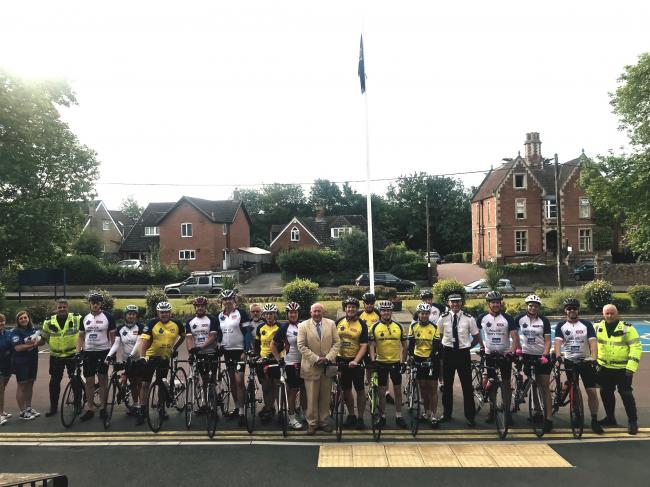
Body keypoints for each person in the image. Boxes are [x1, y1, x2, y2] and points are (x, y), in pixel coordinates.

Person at [553, 298, 604, 434]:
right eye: (569, 308)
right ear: (565, 311)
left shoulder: (586, 324)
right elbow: (557, 343)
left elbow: (593, 342)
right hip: (570, 361)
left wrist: (594, 358)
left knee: (591, 391)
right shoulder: (561, 326)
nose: (572, 310)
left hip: (585, 361)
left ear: (578, 310)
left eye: (574, 308)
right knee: (573, 389)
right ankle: (576, 413)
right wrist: (558, 356)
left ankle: (594, 420)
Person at [135, 301, 186, 425]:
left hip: (164, 358)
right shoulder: (152, 323)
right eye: (162, 312)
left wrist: (175, 348)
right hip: (151, 357)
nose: (164, 314)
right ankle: (142, 410)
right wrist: (142, 357)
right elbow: (144, 342)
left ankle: (161, 408)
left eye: (167, 312)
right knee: (145, 384)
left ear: (170, 312)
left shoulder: (177, 324)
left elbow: (183, 336)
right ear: (158, 313)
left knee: (162, 384)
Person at [595, 303, 642, 435]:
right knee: (606, 393)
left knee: (626, 395)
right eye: (607, 313)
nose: (609, 316)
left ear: (617, 314)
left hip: (623, 369)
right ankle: (610, 418)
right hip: (604, 368)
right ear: (603, 314)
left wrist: (631, 367)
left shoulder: (628, 328)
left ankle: (632, 422)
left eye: (612, 313)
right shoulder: (597, 326)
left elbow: (636, 347)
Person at [437, 293, 483, 427]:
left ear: (461, 303)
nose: (455, 304)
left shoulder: (469, 318)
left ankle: (470, 416)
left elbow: (476, 337)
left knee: (467, 386)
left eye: (457, 302)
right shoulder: (443, 318)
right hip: (448, 353)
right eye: (452, 302)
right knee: (447, 386)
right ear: (448, 303)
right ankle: (447, 413)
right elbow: (439, 335)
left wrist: (467, 347)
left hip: (463, 354)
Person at [476, 291, 519, 425]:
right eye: (493, 302)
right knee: (492, 384)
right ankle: (492, 410)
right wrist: (481, 346)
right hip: (490, 355)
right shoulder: (482, 317)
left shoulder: (507, 318)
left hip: (505, 355)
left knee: (506, 384)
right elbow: (475, 332)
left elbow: (515, 337)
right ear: (488, 304)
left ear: (501, 303)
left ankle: (507, 412)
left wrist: (512, 351)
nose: (495, 305)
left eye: (497, 302)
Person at [297, 302, 340, 435]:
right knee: (311, 398)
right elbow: (301, 345)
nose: (317, 313)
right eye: (314, 311)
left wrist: (328, 358)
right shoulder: (303, 326)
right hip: (311, 366)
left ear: (323, 312)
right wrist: (316, 358)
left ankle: (324, 422)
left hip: (327, 367)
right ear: (310, 313)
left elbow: (337, 343)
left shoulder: (331, 324)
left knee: (325, 397)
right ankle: (312, 423)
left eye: (319, 311)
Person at [514, 294, 553, 432]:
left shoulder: (544, 321)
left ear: (539, 307)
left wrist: (545, 355)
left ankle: (549, 419)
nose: (533, 308)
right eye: (531, 305)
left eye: (536, 306)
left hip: (541, 356)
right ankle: (537, 411)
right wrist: (518, 349)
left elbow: (548, 341)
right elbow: (514, 335)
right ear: (527, 306)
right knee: (534, 383)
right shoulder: (520, 318)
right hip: (526, 355)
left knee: (544, 386)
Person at [76, 293, 116, 421]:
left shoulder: (108, 317)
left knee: (103, 380)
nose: (95, 305)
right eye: (93, 302)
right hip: (88, 352)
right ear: (90, 303)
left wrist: (112, 353)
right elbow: (81, 336)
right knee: (89, 381)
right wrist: (78, 352)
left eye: (97, 303)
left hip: (103, 351)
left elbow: (113, 337)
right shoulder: (85, 317)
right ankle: (90, 409)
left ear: (101, 304)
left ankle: (103, 408)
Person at [369, 300, 408, 429]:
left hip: (395, 362)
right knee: (381, 392)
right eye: (384, 310)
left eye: (388, 310)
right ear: (380, 312)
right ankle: (383, 416)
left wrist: (403, 362)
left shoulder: (399, 326)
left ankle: (399, 415)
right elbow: (371, 345)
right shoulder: (374, 327)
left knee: (397, 391)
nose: (386, 313)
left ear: (392, 312)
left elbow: (404, 346)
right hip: (381, 363)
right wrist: (373, 360)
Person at [40, 299, 81, 417]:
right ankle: (53, 407)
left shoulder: (77, 318)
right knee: (54, 382)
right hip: (56, 356)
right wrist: (33, 343)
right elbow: (44, 337)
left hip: (72, 354)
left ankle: (77, 405)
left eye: (64, 307)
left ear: (68, 307)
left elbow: (85, 332)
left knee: (75, 380)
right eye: (59, 307)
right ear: (56, 308)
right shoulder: (49, 321)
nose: (62, 309)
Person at [217, 290, 251, 423]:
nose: (227, 301)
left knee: (239, 380)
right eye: (225, 299)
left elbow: (247, 333)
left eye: (229, 299)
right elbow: (220, 334)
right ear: (222, 301)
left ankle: (242, 411)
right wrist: (219, 344)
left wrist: (245, 350)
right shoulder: (220, 315)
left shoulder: (241, 313)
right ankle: (237, 407)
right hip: (227, 351)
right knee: (232, 380)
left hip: (239, 351)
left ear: (234, 300)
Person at [272, 302, 307, 430]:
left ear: (298, 313)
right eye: (290, 312)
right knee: (292, 391)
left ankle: (304, 413)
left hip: (304, 362)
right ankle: (291, 418)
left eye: (295, 312)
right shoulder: (284, 327)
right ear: (287, 314)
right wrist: (279, 360)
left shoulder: (303, 325)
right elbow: (273, 345)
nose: (293, 315)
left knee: (304, 390)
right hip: (291, 363)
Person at [335, 297, 368, 430]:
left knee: (360, 389)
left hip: (356, 360)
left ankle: (360, 418)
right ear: (345, 308)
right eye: (348, 307)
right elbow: (333, 341)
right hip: (341, 360)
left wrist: (356, 360)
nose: (351, 309)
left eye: (353, 307)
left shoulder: (362, 324)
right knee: (346, 389)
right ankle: (351, 415)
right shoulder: (338, 322)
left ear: (357, 309)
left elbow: (364, 346)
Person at [185, 296, 221, 416]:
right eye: (198, 306)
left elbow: (212, 337)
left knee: (212, 379)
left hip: (211, 352)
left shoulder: (212, 319)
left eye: (202, 306)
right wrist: (191, 352)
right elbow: (189, 338)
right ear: (195, 307)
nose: (200, 308)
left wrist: (201, 347)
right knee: (204, 379)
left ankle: (213, 404)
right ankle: (205, 403)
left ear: (206, 307)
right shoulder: (190, 322)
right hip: (199, 354)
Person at [408, 303, 442, 427]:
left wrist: (430, 359)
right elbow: (411, 344)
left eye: (426, 314)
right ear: (418, 314)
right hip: (418, 357)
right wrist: (411, 357)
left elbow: (436, 345)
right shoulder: (413, 326)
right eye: (422, 313)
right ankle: (426, 412)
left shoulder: (434, 327)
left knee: (432, 387)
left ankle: (433, 415)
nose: (424, 316)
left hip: (431, 358)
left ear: (429, 314)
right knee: (423, 387)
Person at [106, 304, 144, 416]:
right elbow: (116, 343)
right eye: (129, 314)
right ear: (125, 315)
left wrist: (131, 356)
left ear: (136, 316)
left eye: (133, 314)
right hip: (127, 359)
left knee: (140, 383)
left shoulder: (141, 327)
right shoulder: (120, 329)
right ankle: (136, 404)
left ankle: (142, 406)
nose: (131, 316)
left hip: (139, 359)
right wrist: (109, 355)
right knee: (132, 383)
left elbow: (139, 343)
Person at [11, 311, 44, 420]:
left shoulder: (33, 330)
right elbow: (17, 348)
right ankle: (22, 411)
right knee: (22, 385)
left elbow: (41, 342)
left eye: (25, 317)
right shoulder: (16, 332)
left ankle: (28, 408)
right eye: (21, 318)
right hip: (21, 362)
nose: (23, 320)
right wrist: (32, 344)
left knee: (30, 384)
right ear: (18, 321)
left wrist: (40, 341)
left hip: (33, 361)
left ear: (28, 318)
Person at [255, 303, 281, 422]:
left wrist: (270, 356)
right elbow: (257, 344)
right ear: (264, 315)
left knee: (275, 385)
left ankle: (277, 409)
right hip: (262, 360)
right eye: (266, 314)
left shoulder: (280, 327)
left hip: (275, 359)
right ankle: (269, 408)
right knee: (266, 387)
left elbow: (281, 345)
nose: (269, 316)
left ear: (275, 314)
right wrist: (257, 356)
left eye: (271, 313)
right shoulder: (260, 327)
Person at [0, 313, 13, 425]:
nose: (0, 323)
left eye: (2, 321)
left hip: (7, 366)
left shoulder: (8, 333)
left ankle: (1, 411)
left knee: (2, 389)